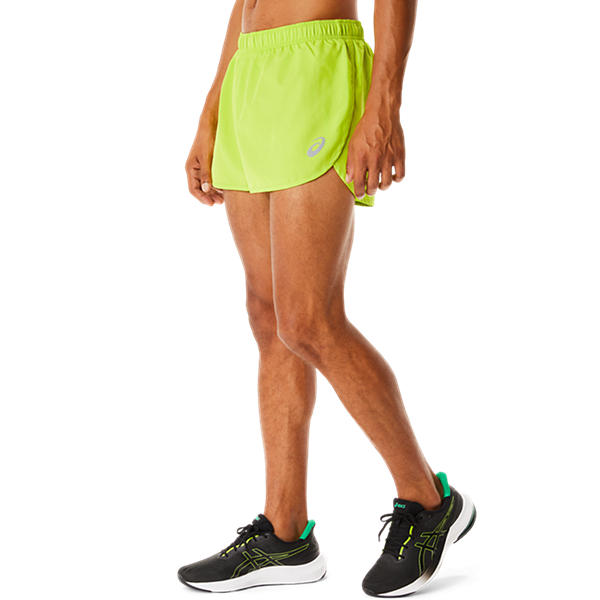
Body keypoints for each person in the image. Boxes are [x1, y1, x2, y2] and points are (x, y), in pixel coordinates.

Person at [178, 1, 476, 595]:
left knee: (308, 320)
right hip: (249, 71)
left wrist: (383, 105)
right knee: (269, 317)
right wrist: (212, 111)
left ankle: (429, 501)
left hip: (317, 64)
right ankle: (284, 534)